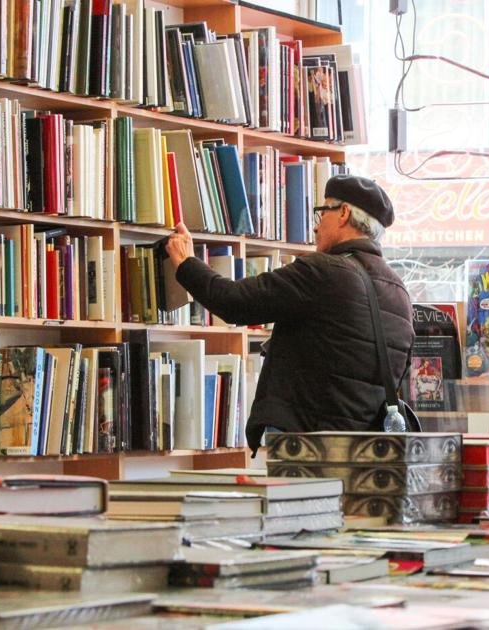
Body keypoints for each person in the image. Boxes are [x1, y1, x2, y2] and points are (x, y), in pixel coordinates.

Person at [165, 174, 415, 452]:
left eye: (322, 213)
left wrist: (186, 262)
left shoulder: (323, 271)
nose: (316, 227)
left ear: (344, 213)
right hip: (364, 450)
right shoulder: (399, 292)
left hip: (307, 444)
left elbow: (234, 302)